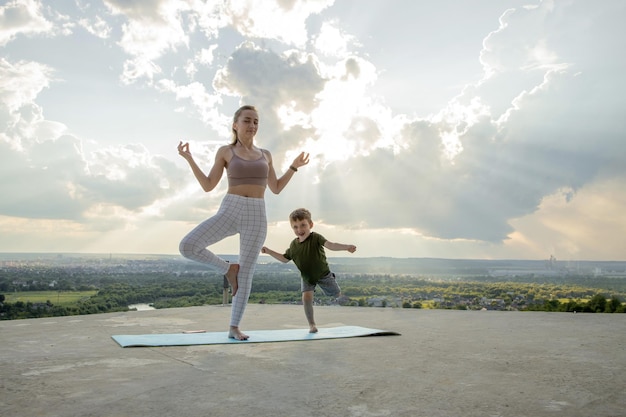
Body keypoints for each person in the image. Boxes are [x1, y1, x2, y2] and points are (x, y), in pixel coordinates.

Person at [177, 105, 309, 340]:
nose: (252, 126)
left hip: (257, 213)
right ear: (235, 125)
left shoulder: (266, 154)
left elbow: (276, 188)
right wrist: (189, 158)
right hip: (231, 207)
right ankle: (228, 268)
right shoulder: (226, 151)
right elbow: (208, 185)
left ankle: (234, 327)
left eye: (256, 122)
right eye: (247, 121)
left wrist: (293, 167)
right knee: (187, 246)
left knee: (247, 273)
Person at [261, 208, 357, 333]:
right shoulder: (293, 245)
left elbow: (331, 245)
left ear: (310, 225)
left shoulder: (315, 237)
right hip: (307, 277)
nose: (299, 230)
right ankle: (312, 324)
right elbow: (284, 259)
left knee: (337, 295)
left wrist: (347, 247)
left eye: (303, 225)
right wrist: (268, 251)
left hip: (323, 274)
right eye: (295, 227)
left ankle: (342, 295)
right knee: (306, 298)